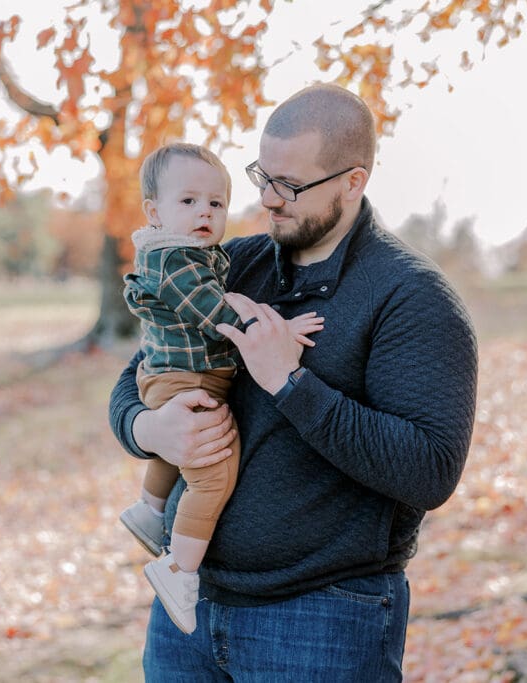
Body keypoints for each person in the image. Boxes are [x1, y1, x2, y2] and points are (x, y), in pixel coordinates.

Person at [109, 84, 479, 681]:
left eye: (289, 185)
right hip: (187, 611)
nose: (266, 200)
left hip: (321, 622)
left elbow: (429, 470)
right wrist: (150, 427)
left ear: (352, 182)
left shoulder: (411, 297)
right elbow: (139, 376)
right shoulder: (236, 262)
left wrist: (291, 383)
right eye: (261, 177)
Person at [118, 142, 324, 635]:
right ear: (155, 211)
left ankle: (148, 509)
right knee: (212, 471)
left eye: (216, 203)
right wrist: (277, 331)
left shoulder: (197, 255)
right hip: (184, 377)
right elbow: (214, 313)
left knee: (181, 446)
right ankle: (178, 570)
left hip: (180, 373)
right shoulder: (177, 261)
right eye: (188, 202)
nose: (205, 213)